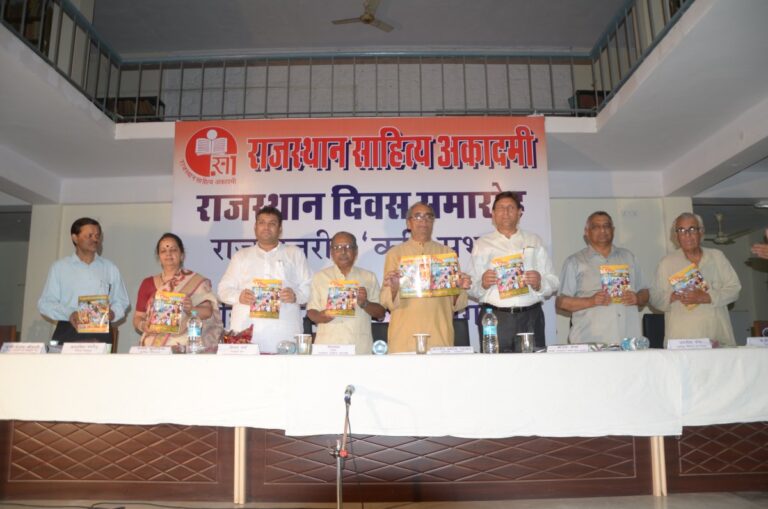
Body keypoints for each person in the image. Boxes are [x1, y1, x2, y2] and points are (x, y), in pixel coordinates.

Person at [469, 192, 558, 350]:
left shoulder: (534, 240)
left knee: (533, 370)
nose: (506, 212)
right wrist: (482, 283)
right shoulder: (482, 244)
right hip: (495, 318)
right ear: (493, 214)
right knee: (497, 370)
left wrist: (540, 283)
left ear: (519, 213)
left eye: (511, 208)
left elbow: (553, 281)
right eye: (501, 208)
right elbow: (470, 286)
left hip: (531, 317)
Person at [217, 206, 312, 353]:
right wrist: (239, 296)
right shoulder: (241, 256)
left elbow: (310, 287)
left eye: (272, 223)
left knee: (286, 375)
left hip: (285, 335)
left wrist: (296, 295)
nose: (266, 227)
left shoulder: (294, 253)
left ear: (280, 229)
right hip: (245, 335)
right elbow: (223, 290)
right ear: (255, 227)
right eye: (261, 222)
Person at [380, 202, 472, 353]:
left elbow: (458, 305)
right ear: (409, 223)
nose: (423, 221)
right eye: (418, 216)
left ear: (433, 222)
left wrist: (459, 287)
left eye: (428, 217)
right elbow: (386, 301)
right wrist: (395, 287)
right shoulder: (395, 254)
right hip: (404, 337)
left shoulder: (447, 254)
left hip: (439, 336)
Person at [557, 211, 649, 343]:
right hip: (590, 342)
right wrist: (591, 301)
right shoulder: (575, 261)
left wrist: (637, 298)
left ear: (613, 230)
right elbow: (561, 302)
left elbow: (645, 292)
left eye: (606, 226)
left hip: (628, 340)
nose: (602, 230)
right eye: (596, 227)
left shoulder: (629, 257)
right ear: (587, 232)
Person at [650, 212, 741, 346]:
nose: (687, 235)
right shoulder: (666, 263)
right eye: (681, 230)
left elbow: (735, 289)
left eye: (692, 229)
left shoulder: (717, 257)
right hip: (682, 339)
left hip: (717, 336)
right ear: (676, 236)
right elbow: (654, 297)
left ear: (701, 232)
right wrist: (673, 296)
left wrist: (707, 297)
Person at [38, 217, 129, 343]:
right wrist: (70, 314)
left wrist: (113, 313)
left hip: (100, 332)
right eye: (89, 235)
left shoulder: (110, 268)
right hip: (68, 329)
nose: (95, 239)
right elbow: (45, 303)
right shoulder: (60, 267)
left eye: (97, 235)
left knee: (99, 364)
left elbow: (122, 301)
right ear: (75, 238)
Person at [133, 233, 222, 351]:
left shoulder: (195, 281)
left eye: (173, 250)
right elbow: (138, 317)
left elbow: (208, 312)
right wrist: (143, 326)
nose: (168, 254)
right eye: (163, 251)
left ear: (181, 255)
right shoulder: (147, 283)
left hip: (184, 346)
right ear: (159, 256)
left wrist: (191, 309)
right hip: (152, 346)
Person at [307, 231, 386, 354]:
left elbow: (381, 313)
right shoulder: (320, 277)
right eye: (337, 247)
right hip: (327, 348)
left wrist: (365, 303)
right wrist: (325, 315)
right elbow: (311, 312)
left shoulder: (368, 277)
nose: (343, 251)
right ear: (331, 252)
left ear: (356, 251)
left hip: (359, 347)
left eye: (348, 247)